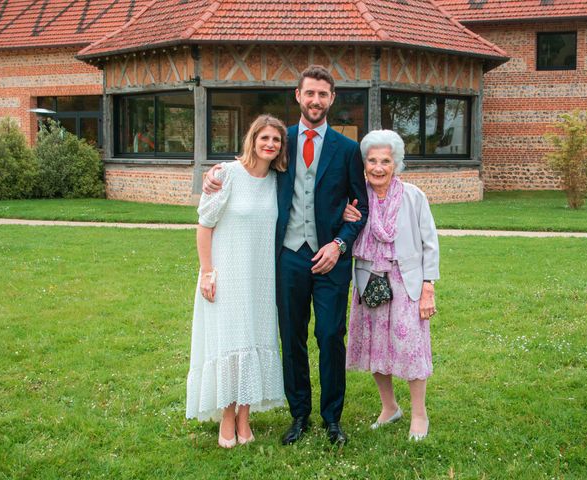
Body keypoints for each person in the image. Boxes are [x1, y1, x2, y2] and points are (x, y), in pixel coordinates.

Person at [203, 65, 369, 445]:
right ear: (298, 96)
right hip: (288, 257)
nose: (315, 100)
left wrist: (339, 244)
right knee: (291, 337)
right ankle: (299, 415)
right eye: (309, 93)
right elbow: (249, 168)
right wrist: (216, 175)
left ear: (332, 99)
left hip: (331, 258)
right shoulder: (282, 141)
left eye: (323, 94)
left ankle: (332, 418)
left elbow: (362, 209)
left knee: (330, 335)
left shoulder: (347, 150)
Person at [186, 115, 288, 448]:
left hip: (261, 278)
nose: (270, 144)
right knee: (230, 345)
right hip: (227, 274)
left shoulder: (277, 181)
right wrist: (207, 271)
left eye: (276, 139)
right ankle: (226, 419)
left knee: (254, 341)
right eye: (265, 138)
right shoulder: (226, 175)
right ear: (253, 139)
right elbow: (205, 224)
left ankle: (245, 418)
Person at [342, 129, 439, 441]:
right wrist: (344, 217)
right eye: (372, 160)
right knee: (374, 348)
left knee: (411, 349)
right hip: (369, 280)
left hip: (405, 281)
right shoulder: (356, 199)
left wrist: (428, 288)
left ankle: (419, 415)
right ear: (364, 164)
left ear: (396, 164)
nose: (378, 167)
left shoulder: (413, 197)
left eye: (386, 160)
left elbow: (430, 245)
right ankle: (389, 408)